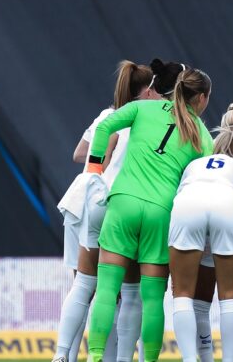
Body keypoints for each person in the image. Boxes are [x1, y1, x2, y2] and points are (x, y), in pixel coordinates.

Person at [84, 67, 214, 362]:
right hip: (162, 211)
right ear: (202, 98)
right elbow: (205, 181)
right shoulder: (203, 136)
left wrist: (94, 170)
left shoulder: (143, 106)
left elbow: (104, 128)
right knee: (153, 299)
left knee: (106, 288)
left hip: (124, 202)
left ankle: (94, 357)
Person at [54, 60, 159, 362]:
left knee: (83, 286)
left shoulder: (107, 115)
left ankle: (63, 356)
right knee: (124, 292)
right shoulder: (146, 120)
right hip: (117, 201)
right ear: (149, 91)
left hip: (81, 200)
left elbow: (78, 154)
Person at [169, 119, 233, 362]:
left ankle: (191, 359)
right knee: (229, 295)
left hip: (188, 203)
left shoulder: (195, 164)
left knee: (182, 294)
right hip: (227, 206)